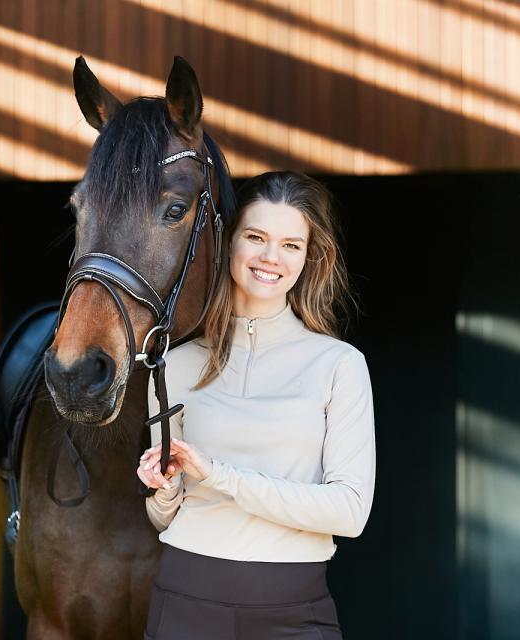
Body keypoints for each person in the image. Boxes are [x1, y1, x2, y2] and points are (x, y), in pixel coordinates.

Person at [136, 171, 376, 640]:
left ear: (309, 258)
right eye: (256, 237)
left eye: (291, 244)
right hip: (184, 603)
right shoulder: (175, 366)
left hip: (294, 615)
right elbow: (166, 515)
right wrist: (164, 490)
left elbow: (350, 512)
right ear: (229, 244)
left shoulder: (339, 365)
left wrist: (220, 476)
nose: (271, 257)